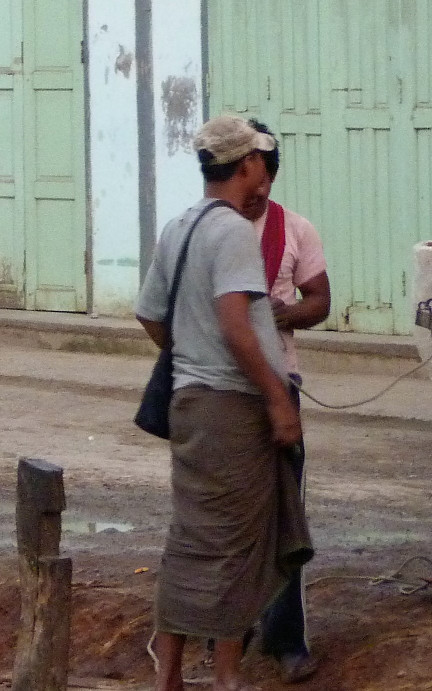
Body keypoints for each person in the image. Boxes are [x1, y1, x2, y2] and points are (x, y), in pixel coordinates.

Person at [136, 115, 312, 691]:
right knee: (237, 544)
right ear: (247, 166)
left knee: (193, 537)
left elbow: (150, 314)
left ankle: (172, 676)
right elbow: (237, 325)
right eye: (263, 160)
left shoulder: (180, 225)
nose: (266, 171)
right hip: (231, 407)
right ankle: (228, 676)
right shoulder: (234, 231)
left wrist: (189, 353)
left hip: (192, 401)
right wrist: (277, 400)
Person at [243, 117, 329, 683]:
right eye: (254, 174)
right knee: (228, 514)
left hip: (282, 383)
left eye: (269, 175)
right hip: (223, 387)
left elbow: (320, 301)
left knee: (286, 515)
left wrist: (281, 314)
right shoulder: (201, 230)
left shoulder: (295, 230)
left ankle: (286, 636)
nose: (261, 187)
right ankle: (232, 626)